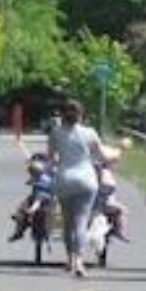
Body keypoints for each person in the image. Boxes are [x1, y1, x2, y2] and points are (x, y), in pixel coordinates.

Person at [47, 101, 106, 279]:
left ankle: (69, 259)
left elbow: (52, 157)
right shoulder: (90, 133)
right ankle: (80, 260)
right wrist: (117, 153)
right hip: (86, 180)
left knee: (68, 222)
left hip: (64, 179)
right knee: (81, 222)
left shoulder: (55, 133)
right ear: (81, 115)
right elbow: (101, 155)